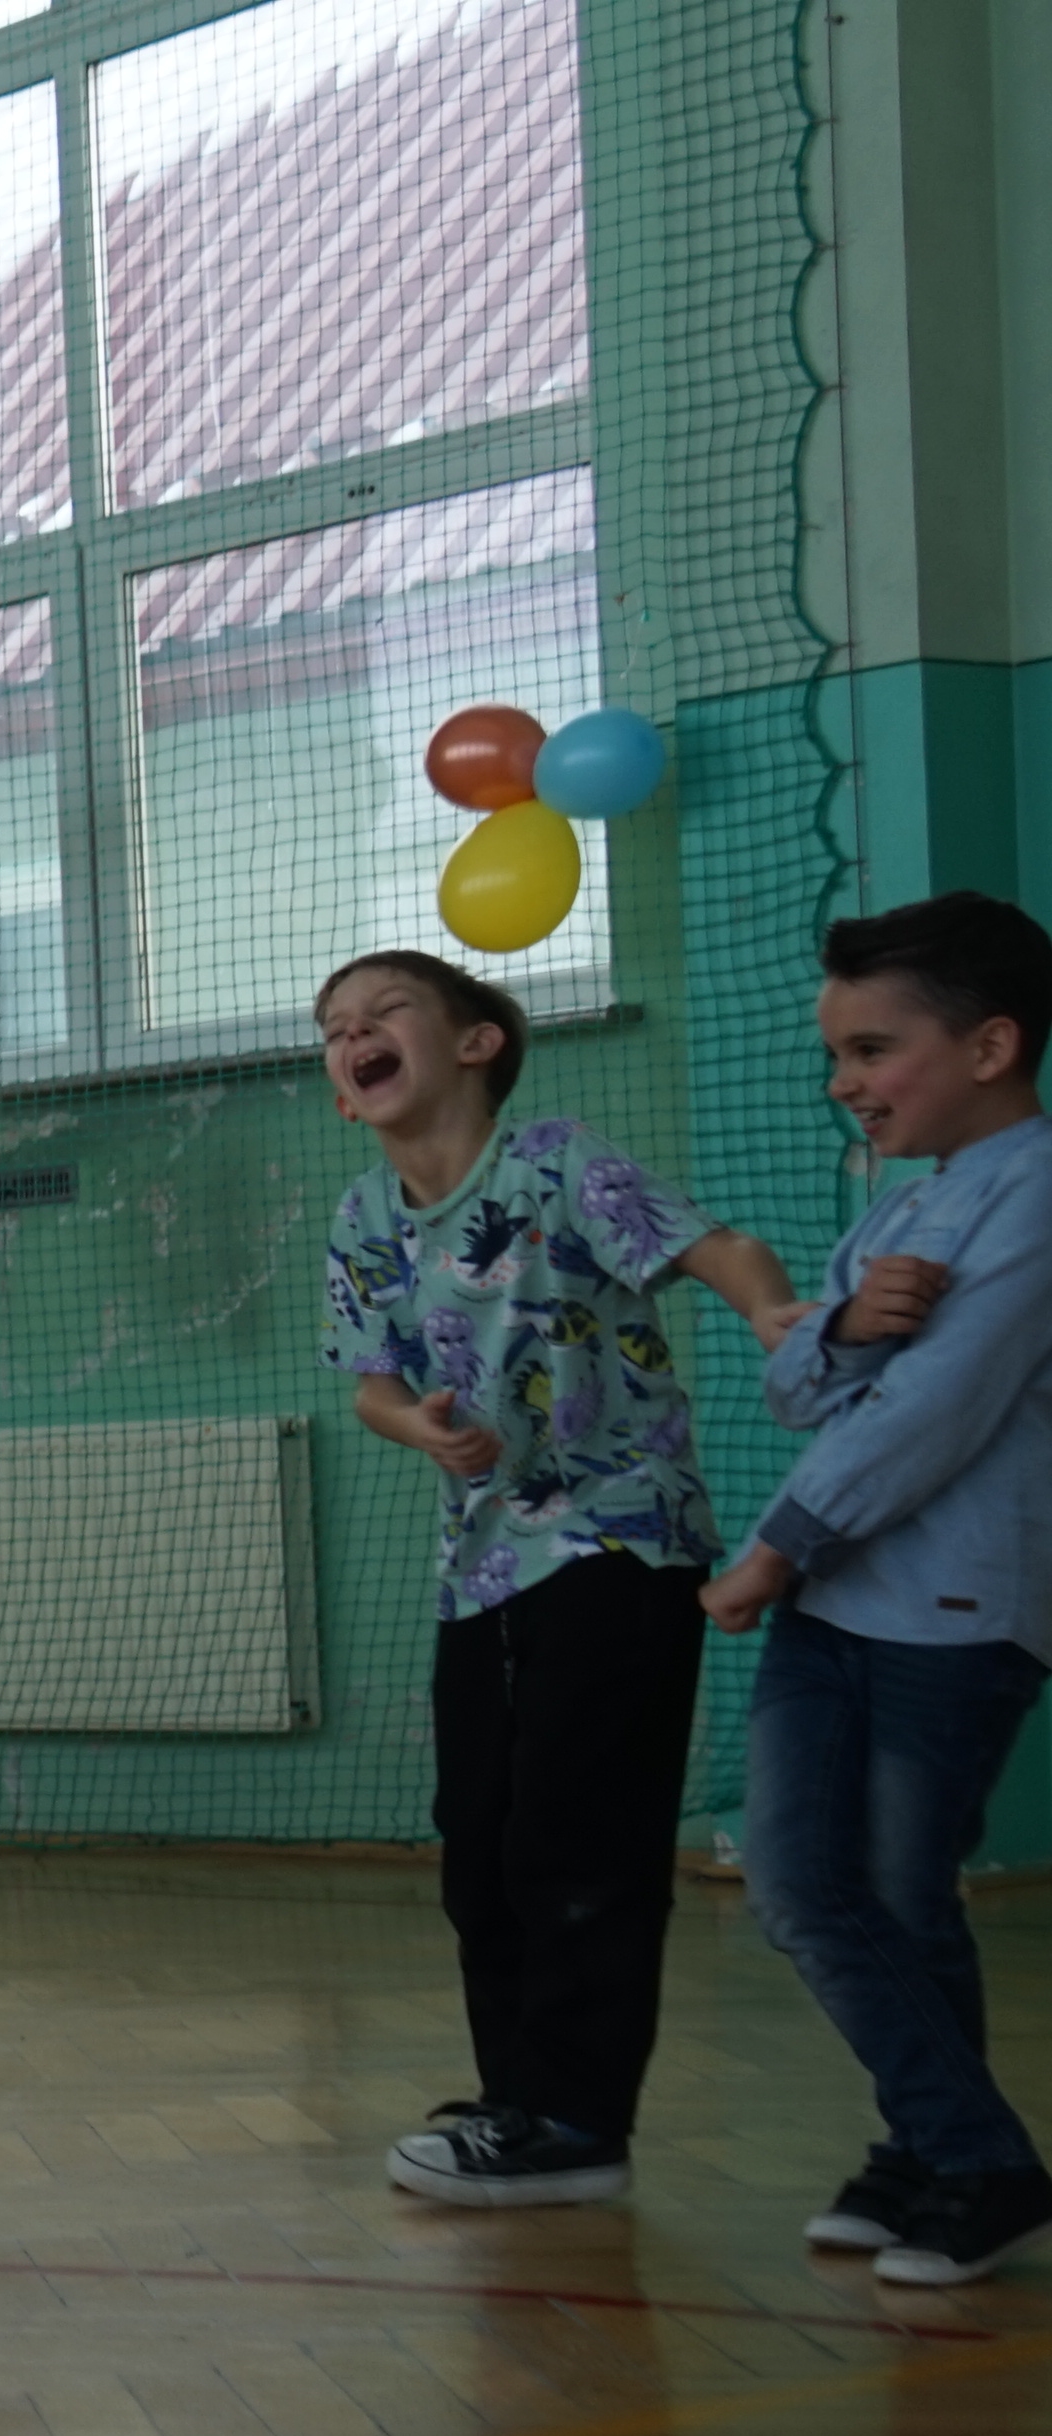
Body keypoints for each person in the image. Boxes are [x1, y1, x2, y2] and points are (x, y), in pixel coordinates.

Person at [313, 948, 799, 2206]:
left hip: (620, 1537)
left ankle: (579, 2120)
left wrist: (770, 1312)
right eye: (335, 1029)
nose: (354, 1035)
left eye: (384, 1012)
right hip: (480, 1565)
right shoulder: (364, 1217)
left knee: (578, 1835)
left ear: (477, 1042)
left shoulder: (559, 1162)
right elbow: (371, 1385)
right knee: (478, 1842)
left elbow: (718, 1248)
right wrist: (417, 1425)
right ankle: (517, 2101)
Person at [708, 892, 1052, 2288]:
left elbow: (936, 1413)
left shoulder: (1037, 1194)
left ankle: (964, 2163)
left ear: (990, 1047)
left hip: (955, 1615)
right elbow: (796, 1381)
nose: (845, 1083)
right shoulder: (898, 1208)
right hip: (834, 1609)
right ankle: (945, 2148)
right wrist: (843, 1323)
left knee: (899, 1893)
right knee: (801, 1880)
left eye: (872, 1050)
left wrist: (777, 1547)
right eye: (836, 1056)